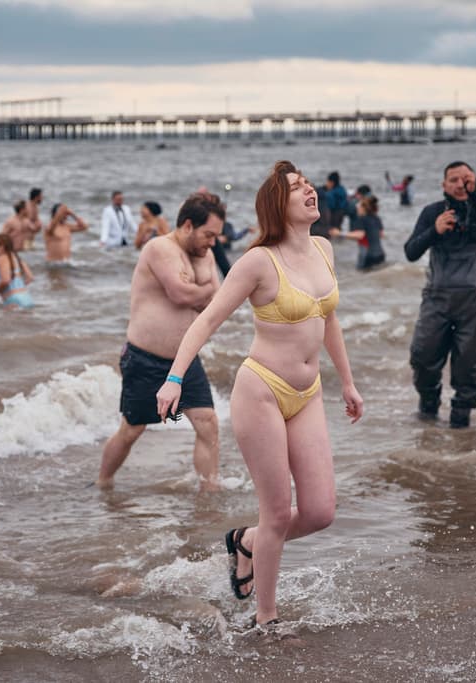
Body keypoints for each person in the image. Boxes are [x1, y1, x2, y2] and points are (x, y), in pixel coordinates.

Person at [156, 161, 363, 629]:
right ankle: (266, 620)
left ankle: (247, 542)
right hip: (262, 390)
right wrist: (173, 379)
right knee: (276, 512)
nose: (310, 191)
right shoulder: (258, 261)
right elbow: (206, 320)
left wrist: (346, 381)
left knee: (319, 511)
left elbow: (328, 319)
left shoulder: (325, 249)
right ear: (277, 205)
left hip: (307, 392)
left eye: (310, 184)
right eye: (298, 188)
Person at [98, 192, 226, 491]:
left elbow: (216, 301)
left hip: (184, 358)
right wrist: (204, 289)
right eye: (209, 234)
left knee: (207, 422)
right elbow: (181, 295)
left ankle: (210, 491)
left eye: (216, 236)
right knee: (132, 429)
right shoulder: (159, 248)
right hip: (145, 358)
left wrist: (203, 290)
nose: (213, 243)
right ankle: (103, 483)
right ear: (188, 225)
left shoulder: (204, 255)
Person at [404, 160, 476, 428]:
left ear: (475, 183)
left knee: (469, 366)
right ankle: (428, 410)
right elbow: (410, 252)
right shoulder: (432, 212)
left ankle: (461, 423)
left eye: (466, 179)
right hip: (437, 297)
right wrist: (434, 231)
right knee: (422, 357)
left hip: (474, 300)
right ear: (443, 185)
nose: (460, 184)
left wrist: (474, 194)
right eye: (454, 180)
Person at [332, 194, 385, 270]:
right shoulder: (377, 218)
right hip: (380, 254)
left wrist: (339, 233)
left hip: (367, 255)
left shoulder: (362, 219)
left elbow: (360, 235)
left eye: (358, 207)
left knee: (362, 275)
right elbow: (381, 234)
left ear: (364, 208)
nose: (357, 209)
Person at [0, 233, 34, 309]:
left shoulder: (2, 258)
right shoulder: (16, 257)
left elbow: (6, 280)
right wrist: (19, 287)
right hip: (27, 297)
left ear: (2, 247)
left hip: (14, 299)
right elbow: (30, 278)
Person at [322, 171, 348, 237]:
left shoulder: (330, 194)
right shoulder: (342, 189)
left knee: (331, 231)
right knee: (338, 229)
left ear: (332, 182)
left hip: (334, 214)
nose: (327, 184)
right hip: (341, 213)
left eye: (328, 182)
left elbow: (331, 206)